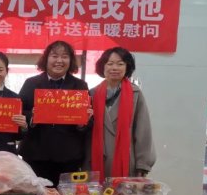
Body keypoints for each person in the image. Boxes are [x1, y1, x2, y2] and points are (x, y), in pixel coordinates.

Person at [18, 40, 91, 187]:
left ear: (70, 61)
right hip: (36, 154)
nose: (59, 61)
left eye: (64, 56)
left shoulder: (80, 85)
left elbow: (88, 121)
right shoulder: (31, 83)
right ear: (46, 59)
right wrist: (32, 118)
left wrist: (82, 123)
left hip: (68, 156)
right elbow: (19, 111)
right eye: (54, 56)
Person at [88, 47, 156, 180]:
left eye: (120, 64)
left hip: (126, 162)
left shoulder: (135, 94)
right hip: (96, 161)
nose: (114, 68)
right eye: (110, 63)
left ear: (127, 67)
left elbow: (143, 131)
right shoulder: (92, 94)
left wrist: (143, 164)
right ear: (103, 66)